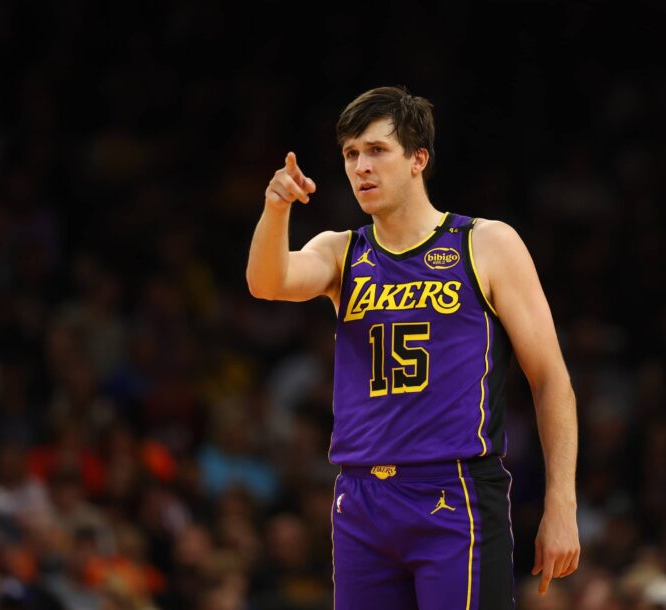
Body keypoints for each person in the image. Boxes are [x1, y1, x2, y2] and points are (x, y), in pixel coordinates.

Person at [246, 85, 579, 610]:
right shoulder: (342, 251)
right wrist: (275, 207)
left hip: (454, 490)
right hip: (361, 498)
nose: (361, 167)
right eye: (351, 154)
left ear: (418, 159)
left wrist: (561, 502)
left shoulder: (485, 243)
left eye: (377, 150)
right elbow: (268, 282)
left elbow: (550, 378)